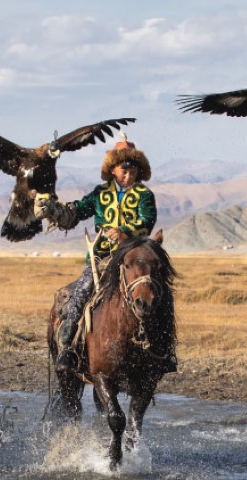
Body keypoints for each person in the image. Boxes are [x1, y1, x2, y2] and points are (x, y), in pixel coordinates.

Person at [37, 134, 174, 374]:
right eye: (124, 169)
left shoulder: (144, 195)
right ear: (112, 169)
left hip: (133, 258)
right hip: (102, 257)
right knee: (80, 293)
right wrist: (53, 211)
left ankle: (165, 352)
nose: (128, 174)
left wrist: (125, 232)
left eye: (133, 170)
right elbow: (75, 213)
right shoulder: (99, 194)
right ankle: (68, 348)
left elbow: (147, 221)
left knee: (163, 295)